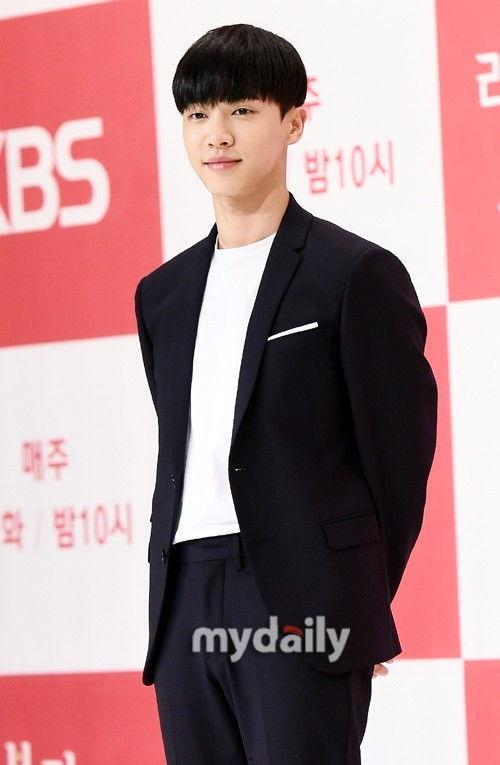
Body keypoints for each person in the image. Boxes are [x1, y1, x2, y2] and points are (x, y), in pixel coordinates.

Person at [134, 22, 438, 764]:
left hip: (302, 600)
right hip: (184, 594)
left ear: (294, 122)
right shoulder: (162, 295)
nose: (217, 133)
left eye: (242, 110)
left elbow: (399, 465)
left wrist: (352, 601)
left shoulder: (353, 274)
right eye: (198, 114)